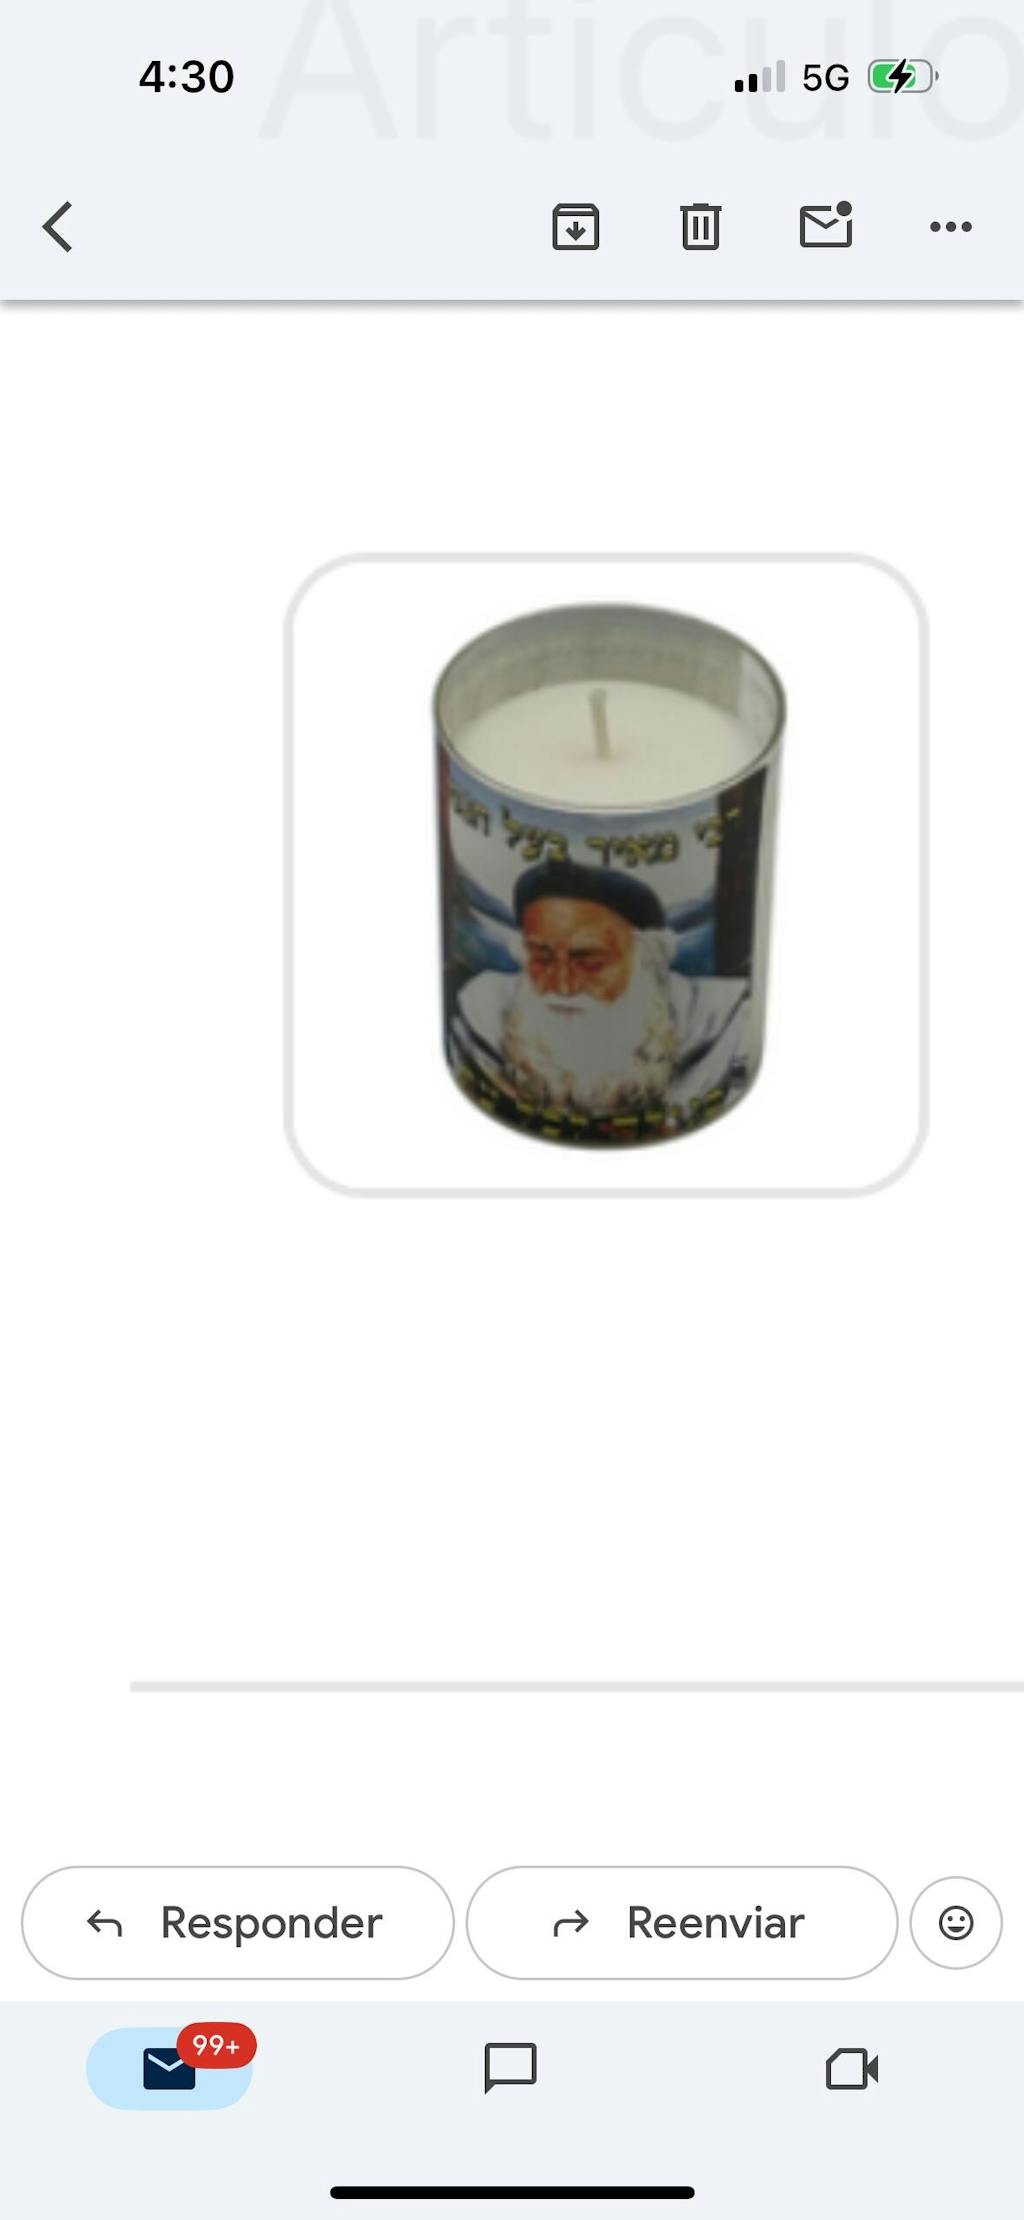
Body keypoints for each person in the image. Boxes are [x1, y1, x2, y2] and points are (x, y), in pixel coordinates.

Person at [452, 859, 749, 1126]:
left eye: (590, 961)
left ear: (646, 960)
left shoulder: (726, 1027)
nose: (563, 986)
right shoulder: (481, 1018)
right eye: (542, 958)